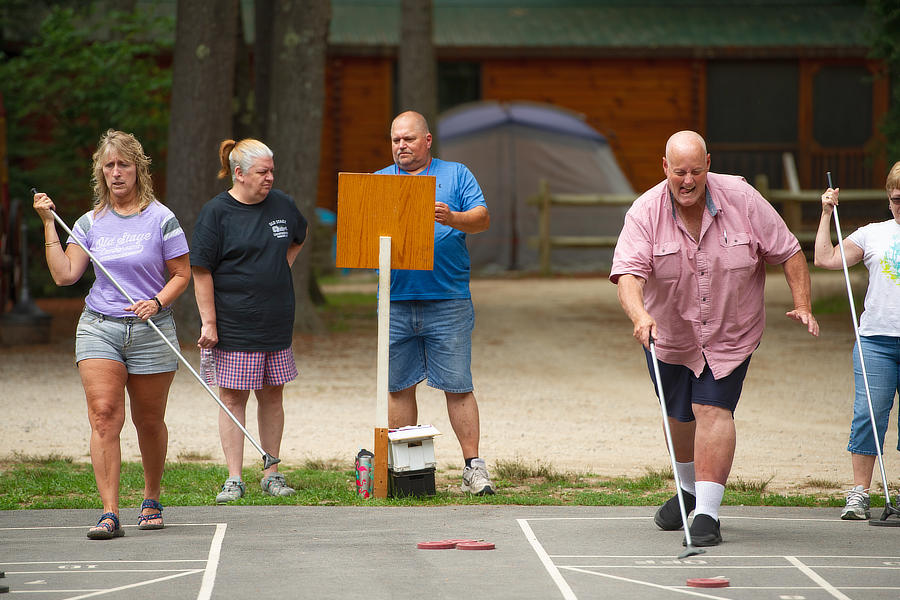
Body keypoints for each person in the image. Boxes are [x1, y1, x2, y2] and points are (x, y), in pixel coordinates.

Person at [610, 130, 819, 546]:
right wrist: (639, 315)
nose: (687, 181)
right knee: (680, 416)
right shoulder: (644, 211)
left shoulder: (742, 199)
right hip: (668, 334)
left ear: (708, 162)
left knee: (712, 409)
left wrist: (804, 303)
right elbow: (628, 274)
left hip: (730, 332)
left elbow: (790, 250)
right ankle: (688, 491)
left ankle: (707, 512)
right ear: (664, 167)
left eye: (695, 171)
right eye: (679, 172)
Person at [32, 130, 190, 539]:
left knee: (149, 420)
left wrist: (157, 301)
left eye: (124, 164)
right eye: (109, 165)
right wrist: (50, 224)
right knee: (104, 416)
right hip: (100, 327)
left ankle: (152, 497)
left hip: (151, 328)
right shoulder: (88, 223)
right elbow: (66, 275)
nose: (116, 172)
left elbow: (181, 274)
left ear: (139, 169)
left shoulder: (161, 218)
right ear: (100, 173)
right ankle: (109, 512)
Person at [375, 111, 494, 495]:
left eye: (408, 139)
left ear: (427, 141)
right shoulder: (378, 182)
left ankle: (473, 468)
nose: (401, 146)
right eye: (395, 140)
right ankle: (407, 472)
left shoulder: (456, 174)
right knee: (398, 387)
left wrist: (454, 217)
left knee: (458, 385)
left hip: (448, 299)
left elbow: (482, 219)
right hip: (395, 301)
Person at [191, 138, 308, 503]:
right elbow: (201, 270)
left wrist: (278, 269)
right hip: (234, 324)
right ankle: (234, 478)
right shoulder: (217, 213)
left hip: (276, 322)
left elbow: (297, 239)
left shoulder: (283, 205)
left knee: (272, 396)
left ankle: (272, 473)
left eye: (272, 170)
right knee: (232, 398)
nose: (270, 177)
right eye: (263, 172)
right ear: (239, 174)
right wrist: (208, 322)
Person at [814, 161, 900, 520]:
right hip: (876, 342)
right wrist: (825, 214)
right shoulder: (873, 234)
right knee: (869, 415)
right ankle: (860, 493)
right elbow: (825, 258)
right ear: (888, 196)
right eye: (897, 198)